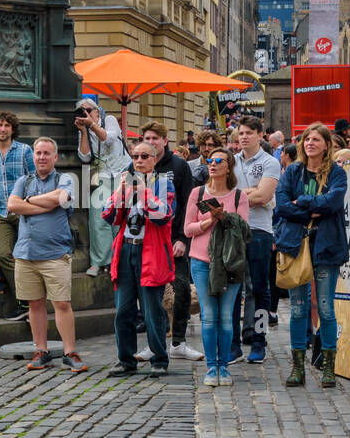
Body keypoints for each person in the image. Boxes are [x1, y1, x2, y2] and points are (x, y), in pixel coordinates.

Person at [275, 123, 348, 389]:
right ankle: (297, 367)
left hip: (326, 246)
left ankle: (328, 367)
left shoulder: (336, 173)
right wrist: (313, 209)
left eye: (316, 139)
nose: (309, 143)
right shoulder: (292, 172)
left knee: (326, 308)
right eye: (307, 139)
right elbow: (282, 206)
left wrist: (302, 203)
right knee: (297, 309)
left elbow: (333, 203)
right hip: (296, 245)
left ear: (326, 145)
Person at [7, 138, 85, 373]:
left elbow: (60, 198)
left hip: (55, 252)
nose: (42, 157)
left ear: (55, 157)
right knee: (34, 303)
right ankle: (42, 351)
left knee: (61, 303)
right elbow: (12, 205)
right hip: (26, 252)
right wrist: (43, 204)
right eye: (38, 153)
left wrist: (27, 202)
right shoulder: (24, 180)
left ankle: (70, 352)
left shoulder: (65, 179)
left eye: (46, 153)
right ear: (33, 157)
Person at [105, 142, 176, 377]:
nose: (138, 160)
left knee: (152, 310)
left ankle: (159, 358)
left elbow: (162, 215)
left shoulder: (164, 183)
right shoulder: (125, 182)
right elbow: (109, 216)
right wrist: (120, 192)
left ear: (154, 160)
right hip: (126, 250)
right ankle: (126, 359)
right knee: (123, 310)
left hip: (151, 252)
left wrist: (142, 190)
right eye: (135, 156)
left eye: (144, 156)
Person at [183, 148, 250, 386]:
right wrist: (209, 220)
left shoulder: (238, 196)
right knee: (209, 316)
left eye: (218, 161)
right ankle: (212, 367)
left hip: (230, 263)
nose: (212, 164)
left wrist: (225, 218)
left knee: (226, 317)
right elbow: (187, 229)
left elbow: (244, 230)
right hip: (201, 262)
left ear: (228, 166)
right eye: (210, 160)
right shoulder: (197, 193)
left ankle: (224, 366)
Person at [139, 122, 203, 363]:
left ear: (165, 141)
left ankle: (179, 342)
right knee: (148, 293)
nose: (152, 141)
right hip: (146, 242)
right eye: (147, 137)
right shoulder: (138, 165)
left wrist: (182, 239)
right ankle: (153, 343)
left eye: (156, 138)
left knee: (182, 290)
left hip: (174, 240)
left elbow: (188, 203)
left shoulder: (179, 166)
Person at [231, 116, 281, 366]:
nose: (243, 137)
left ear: (260, 135)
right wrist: (246, 195)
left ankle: (259, 340)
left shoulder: (270, 162)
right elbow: (218, 192)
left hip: (260, 230)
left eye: (249, 132)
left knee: (260, 289)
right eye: (241, 133)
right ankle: (233, 343)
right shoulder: (231, 161)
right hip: (233, 231)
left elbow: (263, 196)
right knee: (232, 289)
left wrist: (235, 197)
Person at [0, 110, 34, 322]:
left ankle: (29, 303)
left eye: (6, 125)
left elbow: (34, 180)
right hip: (2, 212)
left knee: (25, 255)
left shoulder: (24, 151)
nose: (2, 129)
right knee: (3, 254)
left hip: (23, 210)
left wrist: (26, 206)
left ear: (13, 129)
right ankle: (27, 301)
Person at [74, 98, 130, 277]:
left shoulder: (110, 120)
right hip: (101, 176)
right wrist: (83, 131)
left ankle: (116, 261)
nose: (86, 114)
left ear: (98, 111)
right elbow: (84, 157)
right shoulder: (84, 129)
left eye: (89, 110)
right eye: (81, 111)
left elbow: (108, 139)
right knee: (98, 219)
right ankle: (99, 261)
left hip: (122, 174)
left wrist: (91, 125)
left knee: (118, 219)